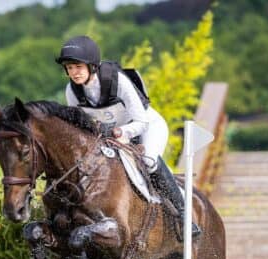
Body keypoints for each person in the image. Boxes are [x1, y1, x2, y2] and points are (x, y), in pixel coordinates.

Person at [55, 35, 200, 237]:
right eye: (69, 68)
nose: (74, 73)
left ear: (92, 66)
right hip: (110, 135)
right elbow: (80, 126)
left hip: (146, 126)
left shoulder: (117, 81)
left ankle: (183, 215)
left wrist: (121, 132)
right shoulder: (72, 91)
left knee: (149, 160)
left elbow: (141, 120)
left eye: (77, 67)